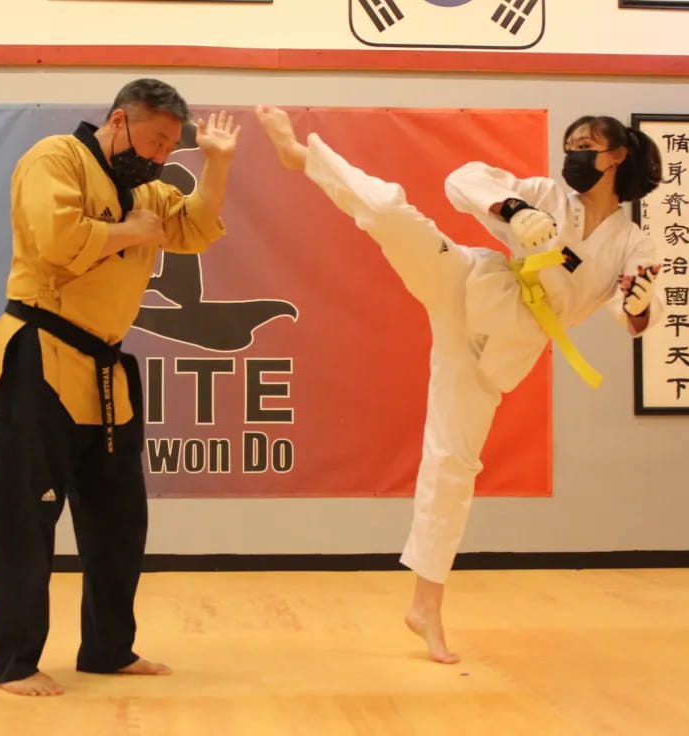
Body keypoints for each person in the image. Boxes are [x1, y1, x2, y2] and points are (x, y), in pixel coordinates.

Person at [254, 105, 662, 664]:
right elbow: (462, 180)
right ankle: (302, 158)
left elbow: (632, 311)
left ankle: (425, 605)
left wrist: (639, 304)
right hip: (467, 281)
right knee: (392, 213)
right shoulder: (545, 193)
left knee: (453, 462)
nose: (575, 152)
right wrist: (515, 210)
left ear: (616, 156)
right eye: (569, 143)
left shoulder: (631, 242)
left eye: (587, 143)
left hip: (499, 345)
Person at [0, 79, 240, 696]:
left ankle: (108, 648)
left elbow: (197, 230)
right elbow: (60, 241)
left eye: (170, 151)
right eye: (153, 142)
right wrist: (133, 231)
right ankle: (14, 663)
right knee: (29, 517)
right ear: (119, 121)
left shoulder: (146, 190)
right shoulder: (55, 159)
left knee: (119, 519)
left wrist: (218, 164)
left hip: (105, 368)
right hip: (40, 352)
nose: (158, 159)